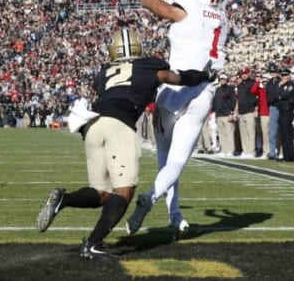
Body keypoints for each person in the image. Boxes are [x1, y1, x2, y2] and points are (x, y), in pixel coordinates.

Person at [35, 28, 212, 259]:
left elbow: (110, 92)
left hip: (92, 124)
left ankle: (63, 199)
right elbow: (179, 78)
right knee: (124, 191)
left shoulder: (103, 72)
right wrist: (203, 76)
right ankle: (93, 244)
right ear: (138, 48)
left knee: (103, 193)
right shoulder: (150, 65)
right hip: (120, 123)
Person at [123, 0, 228, 237]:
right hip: (203, 93)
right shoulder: (221, 17)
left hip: (174, 88)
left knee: (164, 158)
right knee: (178, 162)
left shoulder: (187, 6)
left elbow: (151, 5)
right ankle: (173, 214)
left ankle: (162, 204)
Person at [274, 68, 294, 162]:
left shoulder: (291, 85)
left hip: (287, 110)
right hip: (282, 110)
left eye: (285, 75)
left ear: (289, 75)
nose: (284, 77)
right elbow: (274, 96)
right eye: (282, 75)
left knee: (287, 134)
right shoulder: (280, 85)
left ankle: (289, 156)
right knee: (283, 134)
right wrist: (279, 90)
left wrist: (280, 92)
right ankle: (286, 155)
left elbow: (284, 95)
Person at [214, 74, 238, 157]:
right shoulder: (217, 90)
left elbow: (233, 102)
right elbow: (215, 102)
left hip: (227, 114)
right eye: (221, 79)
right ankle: (224, 150)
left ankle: (230, 150)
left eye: (224, 79)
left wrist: (231, 113)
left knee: (229, 133)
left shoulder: (230, 89)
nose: (222, 80)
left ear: (226, 80)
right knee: (221, 134)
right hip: (219, 114)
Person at [236, 67, 258, 158]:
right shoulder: (240, 85)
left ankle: (251, 151)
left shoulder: (253, 83)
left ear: (248, 74)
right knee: (243, 133)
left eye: (245, 73)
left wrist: (256, 109)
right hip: (241, 111)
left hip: (250, 110)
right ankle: (245, 151)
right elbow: (238, 99)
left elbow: (257, 97)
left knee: (251, 132)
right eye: (242, 74)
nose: (244, 75)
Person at [250, 70, 271, 158]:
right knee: (265, 134)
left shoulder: (271, 88)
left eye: (266, 81)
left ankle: (276, 150)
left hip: (272, 113)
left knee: (274, 133)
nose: (265, 82)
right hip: (263, 114)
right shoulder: (260, 88)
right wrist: (258, 82)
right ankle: (266, 151)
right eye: (264, 81)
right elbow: (253, 91)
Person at [265, 63, 282, 159]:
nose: (273, 73)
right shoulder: (269, 83)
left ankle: (281, 151)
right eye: (271, 72)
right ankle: (272, 152)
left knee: (282, 130)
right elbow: (268, 96)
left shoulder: (281, 81)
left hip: (280, 106)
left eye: (274, 72)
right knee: (272, 132)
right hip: (273, 107)